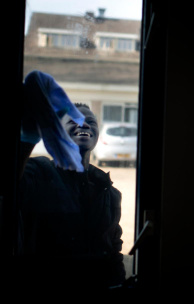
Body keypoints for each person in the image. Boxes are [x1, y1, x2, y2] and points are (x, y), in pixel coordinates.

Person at [17, 73, 126, 290]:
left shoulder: (109, 192)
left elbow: (114, 250)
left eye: (90, 121)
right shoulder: (38, 171)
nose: (83, 123)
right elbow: (9, 189)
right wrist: (28, 137)